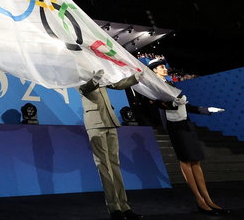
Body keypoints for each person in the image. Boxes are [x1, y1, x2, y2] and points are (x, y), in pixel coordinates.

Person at [147, 58, 228, 216]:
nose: (165, 69)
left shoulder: (170, 84)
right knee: (185, 161)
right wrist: (173, 104)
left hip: (185, 123)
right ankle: (199, 200)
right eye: (162, 67)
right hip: (174, 126)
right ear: (155, 70)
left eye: (165, 66)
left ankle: (208, 199)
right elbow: (154, 102)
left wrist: (207, 109)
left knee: (196, 160)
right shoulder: (154, 85)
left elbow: (185, 105)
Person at [78, 70, 144, 220]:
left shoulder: (99, 74)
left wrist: (135, 77)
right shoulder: (78, 74)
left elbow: (117, 84)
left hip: (110, 121)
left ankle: (124, 206)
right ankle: (114, 207)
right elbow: (84, 89)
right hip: (95, 122)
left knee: (115, 165)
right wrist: (95, 79)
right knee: (104, 166)